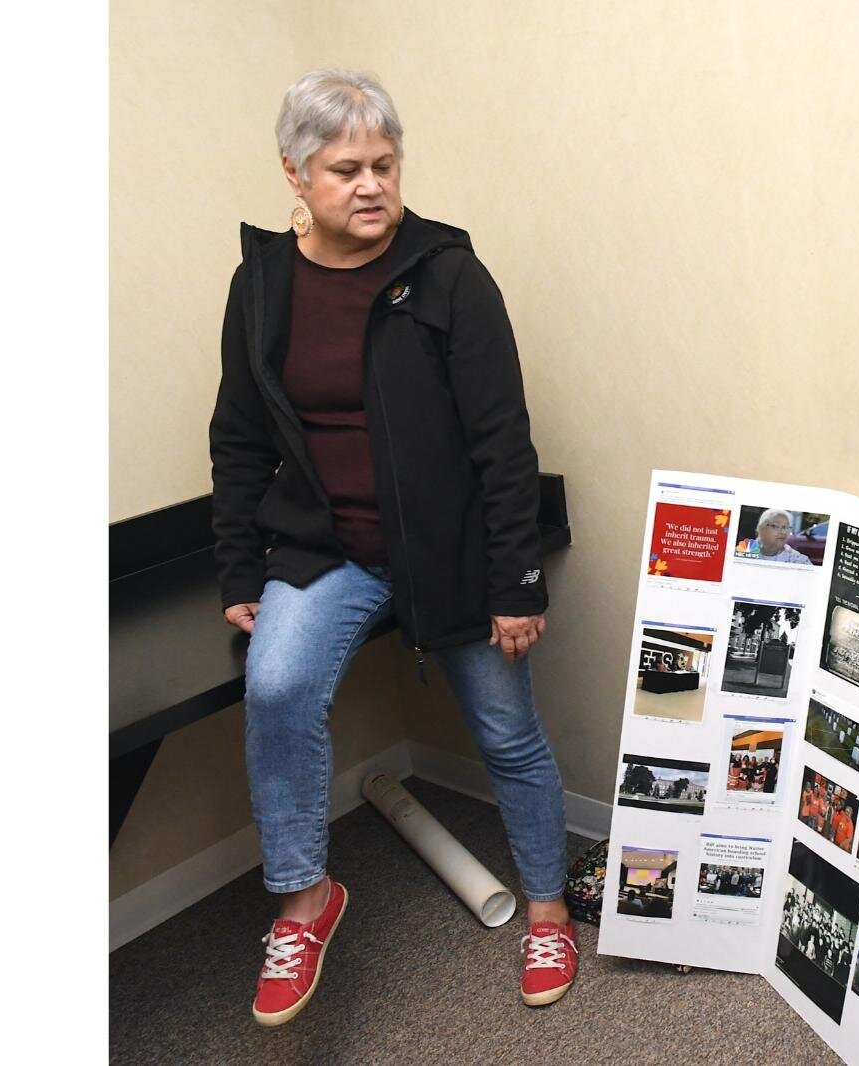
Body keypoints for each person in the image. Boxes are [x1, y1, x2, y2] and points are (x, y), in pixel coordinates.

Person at [209, 69, 576, 1025]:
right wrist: (237, 570)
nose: (371, 185)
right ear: (295, 174)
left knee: (507, 733)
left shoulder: (448, 272)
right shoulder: (261, 287)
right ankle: (304, 898)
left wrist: (517, 579)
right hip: (323, 548)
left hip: (451, 552)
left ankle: (547, 909)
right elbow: (240, 440)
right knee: (277, 684)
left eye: (385, 164)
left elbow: (503, 441)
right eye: (346, 170)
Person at [737, 508, 813, 563]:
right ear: (760, 528)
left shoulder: (799, 561)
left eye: (786, 527)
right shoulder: (741, 553)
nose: (783, 532)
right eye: (776, 526)